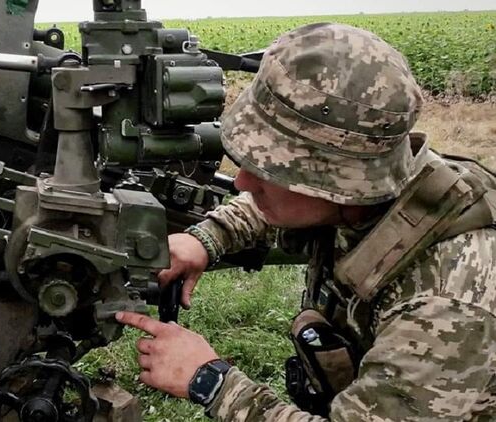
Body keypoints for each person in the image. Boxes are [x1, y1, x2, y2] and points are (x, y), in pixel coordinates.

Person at [115, 22, 496, 420]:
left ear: (338, 184)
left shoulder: (446, 309)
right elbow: (277, 206)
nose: (242, 182)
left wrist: (211, 381)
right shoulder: (385, 187)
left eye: (268, 169)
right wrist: (208, 238)